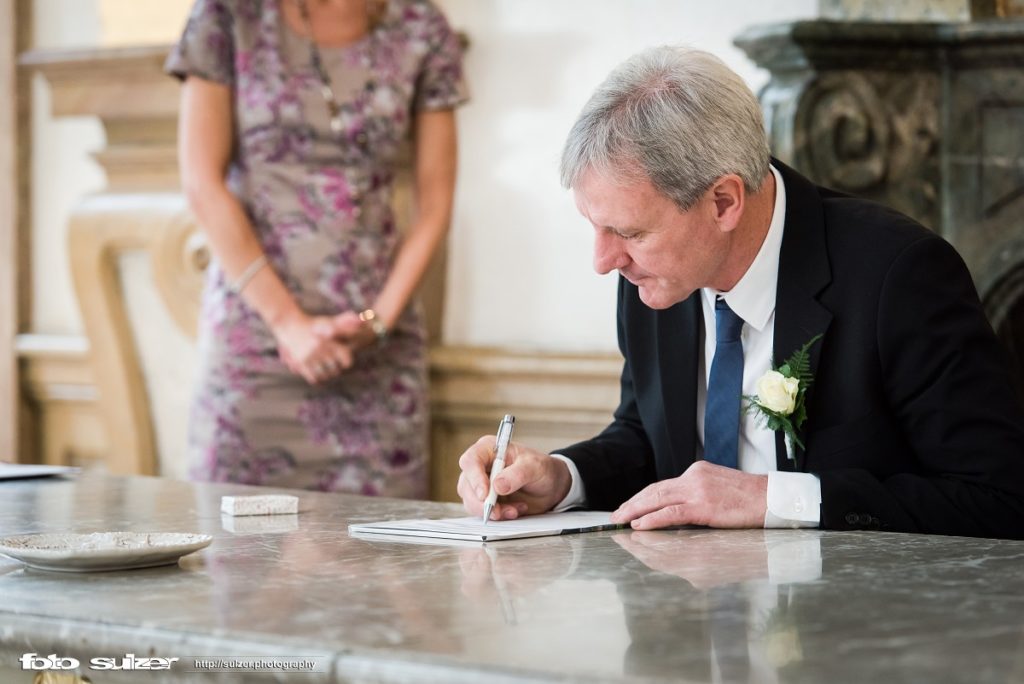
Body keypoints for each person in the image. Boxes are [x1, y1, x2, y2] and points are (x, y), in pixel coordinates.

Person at [456, 46, 1024, 538]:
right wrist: (562, 477)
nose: (604, 262)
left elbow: (1000, 499)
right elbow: (648, 437)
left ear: (724, 202)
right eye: (596, 227)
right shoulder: (651, 273)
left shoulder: (897, 275)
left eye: (628, 232)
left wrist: (774, 500)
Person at [167, 0, 466, 496]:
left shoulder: (421, 26)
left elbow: (434, 205)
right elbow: (201, 184)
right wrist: (288, 323)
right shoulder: (226, 15)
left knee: (385, 564)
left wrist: (377, 322)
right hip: (254, 350)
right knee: (233, 561)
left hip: (377, 357)